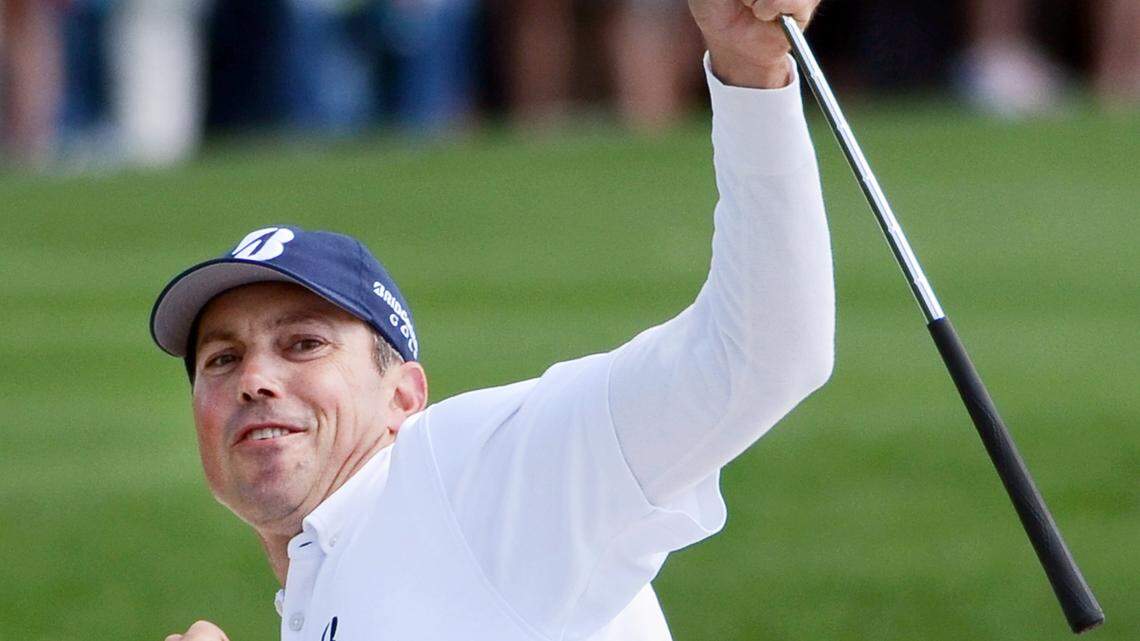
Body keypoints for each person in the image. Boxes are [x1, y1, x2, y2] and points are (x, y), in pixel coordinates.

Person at [150, 0, 832, 638]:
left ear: (404, 396)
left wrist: (752, 74)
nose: (255, 379)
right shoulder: (326, 579)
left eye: (303, 343)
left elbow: (759, 358)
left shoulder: (464, 474)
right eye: (222, 359)